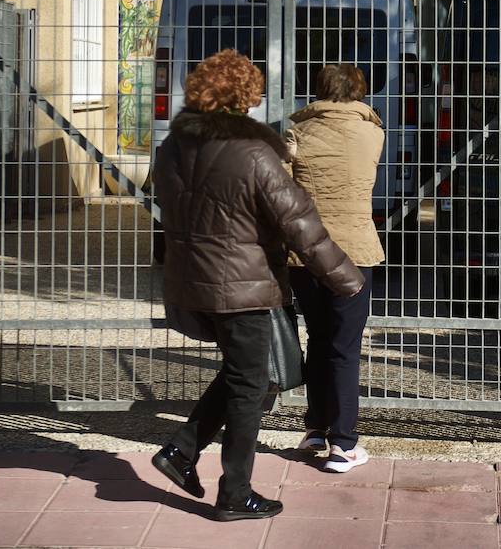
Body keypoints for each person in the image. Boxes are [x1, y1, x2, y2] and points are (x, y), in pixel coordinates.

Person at [151, 50, 364, 521]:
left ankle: (182, 451)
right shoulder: (254, 152)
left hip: (190, 281)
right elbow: (300, 222)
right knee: (253, 385)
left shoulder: (172, 148)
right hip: (242, 287)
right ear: (247, 95)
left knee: (242, 374)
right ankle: (234, 494)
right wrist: (345, 278)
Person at [286, 63, 385, 473]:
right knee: (344, 347)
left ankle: (315, 426)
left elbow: (285, 188)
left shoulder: (295, 134)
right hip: (355, 253)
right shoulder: (373, 133)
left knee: (319, 339)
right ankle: (343, 444)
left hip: (306, 253)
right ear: (359, 91)